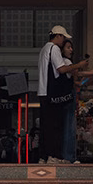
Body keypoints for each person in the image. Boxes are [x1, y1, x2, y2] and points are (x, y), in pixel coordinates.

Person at [36, 24, 83, 163]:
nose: (63, 41)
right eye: (63, 37)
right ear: (58, 36)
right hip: (51, 92)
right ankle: (53, 156)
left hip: (42, 91)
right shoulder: (54, 48)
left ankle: (43, 156)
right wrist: (79, 65)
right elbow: (61, 69)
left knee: (45, 127)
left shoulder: (44, 49)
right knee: (55, 126)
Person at [58, 36, 93, 162]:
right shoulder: (65, 62)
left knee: (70, 127)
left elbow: (79, 81)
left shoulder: (66, 64)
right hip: (67, 99)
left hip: (69, 99)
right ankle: (68, 157)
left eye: (71, 47)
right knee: (69, 128)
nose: (71, 50)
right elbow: (79, 74)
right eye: (68, 47)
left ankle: (68, 156)